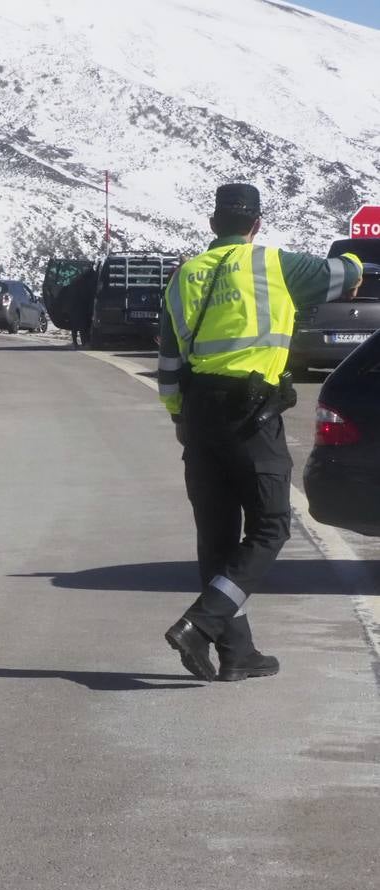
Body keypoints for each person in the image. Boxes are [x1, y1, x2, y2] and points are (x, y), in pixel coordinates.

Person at [158, 183, 363, 682]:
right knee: (271, 525)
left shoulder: (184, 275)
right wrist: (357, 261)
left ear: (213, 225)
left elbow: (167, 364)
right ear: (256, 225)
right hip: (251, 413)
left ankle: (237, 654)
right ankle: (201, 624)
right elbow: (347, 272)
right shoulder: (273, 265)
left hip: (199, 417)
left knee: (217, 535)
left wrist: (181, 421)